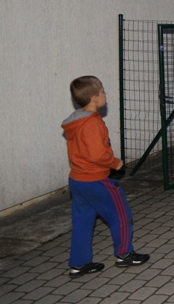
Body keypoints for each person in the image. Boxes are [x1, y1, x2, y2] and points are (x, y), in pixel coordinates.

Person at [62, 76, 149, 278]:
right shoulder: (92, 123)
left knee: (82, 222)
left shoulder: (77, 120)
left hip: (77, 180)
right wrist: (114, 162)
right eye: (102, 91)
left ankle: (79, 264)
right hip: (96, 180)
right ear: (94, 98)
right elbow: (97, 155)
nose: (105, 94)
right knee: (120, 214)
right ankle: (125, 254)